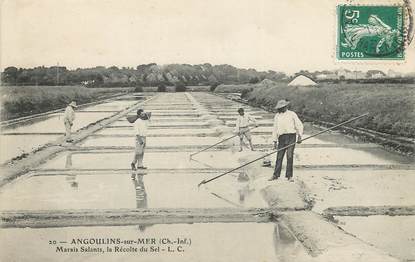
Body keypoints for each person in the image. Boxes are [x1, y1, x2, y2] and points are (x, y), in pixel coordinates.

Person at [269, 100, 303, 182]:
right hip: (281, 137)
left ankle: (289, 176)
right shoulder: (277, 116)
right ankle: (276, 175)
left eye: (282, 108)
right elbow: (275, 129)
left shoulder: (292, 114)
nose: (280, 109)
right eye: (279, 108)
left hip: (291, 136)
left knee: (289, 156)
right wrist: (274, 141)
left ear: (286, 107)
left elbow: (299, 125)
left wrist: (299, 136)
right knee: (279, 156)